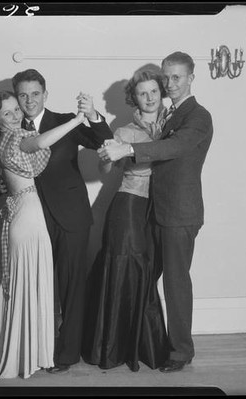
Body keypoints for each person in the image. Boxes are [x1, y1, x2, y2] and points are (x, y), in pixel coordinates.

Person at [98, 51, 213, 373]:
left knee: (176, 283)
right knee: (143, 280)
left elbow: (175, 147)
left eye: (177, 77)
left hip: (179, 213)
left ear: (191, 78)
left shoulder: (197, 116)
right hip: (154, 212)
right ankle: (139, 344)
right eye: (167, 77)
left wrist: (129, 149)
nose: (170, 84)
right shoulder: (168, 116)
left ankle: (181, 352)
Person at [0, 91, 87, 379]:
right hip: (29, 214)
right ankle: (27, 353)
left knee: (21, 284)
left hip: (20, 212)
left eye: (16, 109)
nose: (17, 115)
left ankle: (21, 348)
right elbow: (41, 141)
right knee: (28, 283)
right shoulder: (14, 138)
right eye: (7, 113)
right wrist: (78, 119)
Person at [11, 69, 113, 374]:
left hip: (70, 217)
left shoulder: (65, 121)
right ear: (16, 96)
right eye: (23, 94)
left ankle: (67, 354)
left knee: (70, 286)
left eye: (35, 93)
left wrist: (92, 113)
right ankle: (38, 347)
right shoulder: (11, 127)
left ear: (46, 94)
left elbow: (103, 141)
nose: (29, 100)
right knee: (39, 286)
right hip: (32, 220)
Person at [82, 64, 169, 372]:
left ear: (162, 93)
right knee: (126, 270)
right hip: (130, 206)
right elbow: (105, 170)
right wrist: (105, 156)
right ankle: (114, 348)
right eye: (142, 93)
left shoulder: (173, 126)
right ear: (134, 97)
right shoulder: (123, 131)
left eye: (153, 92)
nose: (149, 98)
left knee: (149, 272)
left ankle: (143, 344)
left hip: (160, 209)